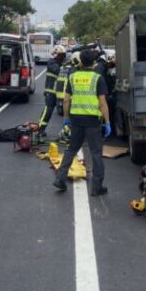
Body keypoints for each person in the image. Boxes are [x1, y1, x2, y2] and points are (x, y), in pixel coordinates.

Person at [53, 49, 111, 196]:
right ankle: (96, 187)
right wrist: (108, 122)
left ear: (80, 62)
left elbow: (66, 100)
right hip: (92, 121)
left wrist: (66, 118)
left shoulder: (72, 77)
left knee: (71, 149)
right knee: (96, 153)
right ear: (93, 63)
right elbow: (103, 103)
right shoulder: (98, 78)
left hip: (75, 119)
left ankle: (60, 179)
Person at [38, 45, 67, 139]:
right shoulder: (51, 62)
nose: (62, 57)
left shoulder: (60, 63)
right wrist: (66, 66)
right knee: (48, 111)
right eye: (60, 55)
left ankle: (66, 131)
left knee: (61, 111)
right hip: (50, 92)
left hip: (58, 92)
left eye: (63, 55)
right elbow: (58, 70)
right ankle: (39, 129)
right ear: (55, 55)